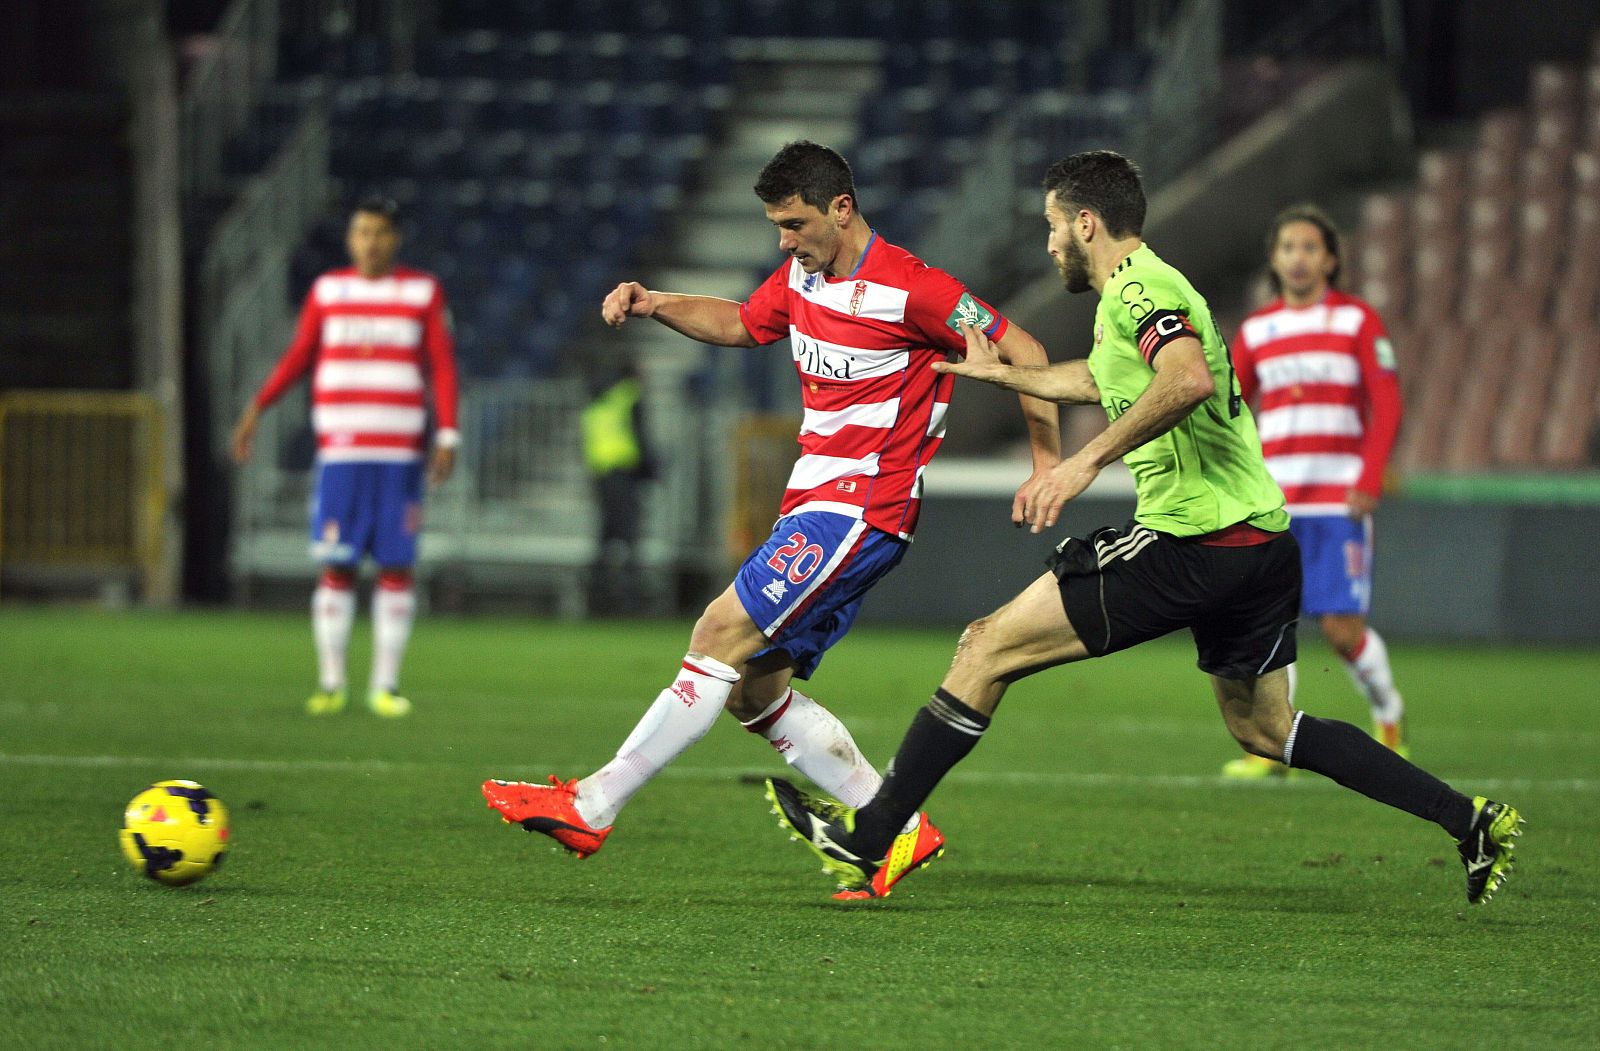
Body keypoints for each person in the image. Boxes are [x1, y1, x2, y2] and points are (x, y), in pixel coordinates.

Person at [766, 150, 1522, 905]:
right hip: (1259, 543)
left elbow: (1186, 378)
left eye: (1054, 227)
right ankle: (1471, 821)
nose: (1051, 243)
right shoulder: (1139, 294)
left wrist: (1080, 463)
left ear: (1086, 223)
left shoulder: (1140, 290)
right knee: (1267, 731)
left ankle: (873, 836)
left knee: (984, 645)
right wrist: (1008, 376)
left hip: (1193, 543)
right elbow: (1101, 380)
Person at [482, 141, 1062, 884]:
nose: (783, 241)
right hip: (814, 504)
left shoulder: (912, 287)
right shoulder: (801, 275)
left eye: (794, 224)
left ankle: (592, 804)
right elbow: (743, 323)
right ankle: (900, 830)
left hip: (861, 506)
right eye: (776, 226)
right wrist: (656, 302)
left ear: (841, 210)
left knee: (717, 630)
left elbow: (1028, 348)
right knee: (753, 685)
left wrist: (1047, 463)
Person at [231, 196, 458, 718]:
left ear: (394, 238)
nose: (369, 242)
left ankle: (385, 686)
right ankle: (331, 682)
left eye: (379, 232)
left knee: (396, 566)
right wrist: (257, 407)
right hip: (341, 455)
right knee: (336, 566)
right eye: (361, 232)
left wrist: (447, 434)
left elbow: (441, 366)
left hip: (399, 455)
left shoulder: (421, 291)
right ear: (350, 238)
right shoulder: (329, 291)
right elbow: (298, 355)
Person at [1221, 205, 1407, 778]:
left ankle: (1389, 716)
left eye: (1309, 247)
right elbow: (1229, 409)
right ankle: (1272, 745)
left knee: (1339, 628)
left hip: (1337, 502)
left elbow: (1388, 402)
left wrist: (1370, 477)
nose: (1298, 258)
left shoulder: (1357, 322)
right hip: (1273, 502)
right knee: (1269, 625)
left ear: (1329, 258)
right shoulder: (1257, 331)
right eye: (1287, 247)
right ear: (1275, 260)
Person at [581, 358, 656, 615]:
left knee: (606, 535)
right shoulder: (628, 396)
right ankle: (630, 599)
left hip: (601, 474)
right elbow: (639, 434)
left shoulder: (597, 400)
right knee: (629, 535)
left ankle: (595, 593)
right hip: (624, 473)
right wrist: (651, 469)